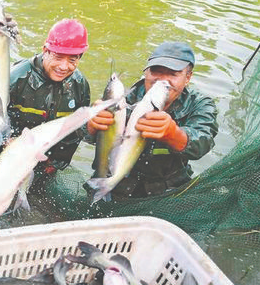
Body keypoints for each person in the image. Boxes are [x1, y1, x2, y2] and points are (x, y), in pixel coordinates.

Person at [86, 41, 218, 198]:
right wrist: (91, 125)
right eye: (156, 72)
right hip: (117, 186)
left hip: (168, 189)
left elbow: (203, 142)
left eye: (172, 74)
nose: (162, 80)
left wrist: (173, 133)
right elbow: (86, 136)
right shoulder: (122, 98)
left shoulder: (200, 104)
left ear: (188, 77)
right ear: (146, 72)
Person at [0, 18, 91, 185]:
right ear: (45, 50)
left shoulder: (79, 85)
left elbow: (77, 129)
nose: (63, 66)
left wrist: (56, 162)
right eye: (58, 57)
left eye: (72, 60)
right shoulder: (15, 78)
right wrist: (5, 141)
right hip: (11, 155)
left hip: (47, 162)